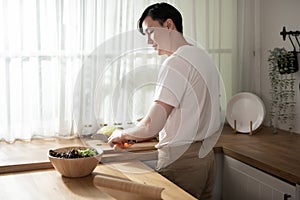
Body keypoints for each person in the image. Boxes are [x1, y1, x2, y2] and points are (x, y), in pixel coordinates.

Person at [108, 2, 221, 199]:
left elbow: (153, 123)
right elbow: (190, 109)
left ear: (169, 25)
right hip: (206, 158)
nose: (149, 41)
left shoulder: (175, 62)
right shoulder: (203, 56)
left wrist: (123, 133)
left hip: (182, 161)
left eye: (150, 32)